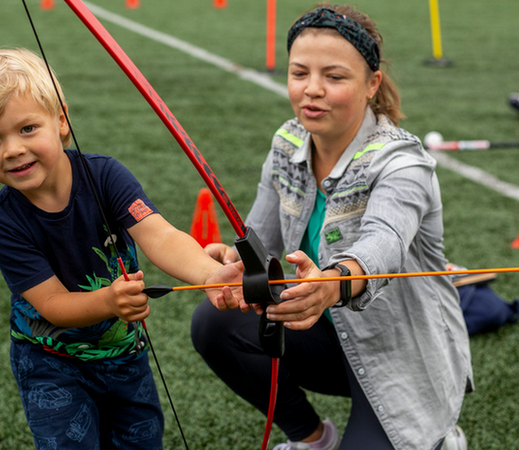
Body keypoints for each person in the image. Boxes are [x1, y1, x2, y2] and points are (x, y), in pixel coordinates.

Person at [190, 5, 472, 450]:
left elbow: (384, 243)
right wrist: (235, 260)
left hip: (402, 352)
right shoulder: (287, 143)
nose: (312, 90)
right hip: (324, 332)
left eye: (335, 77)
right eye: (299, 73)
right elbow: (259, 239)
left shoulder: (403, 163)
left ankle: (441, 439)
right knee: (215, 322)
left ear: (371, 84)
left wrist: (333, 283)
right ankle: (313, 439)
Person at [0, 48, 244, 449]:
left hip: (124, 354)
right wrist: (110, 301)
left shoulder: (105, 175)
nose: (13, 149)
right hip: (51, 364)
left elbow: (159, 234)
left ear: (62, 121)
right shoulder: (2, 223)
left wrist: (208, 274)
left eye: (28, 129)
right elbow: (52, 303)